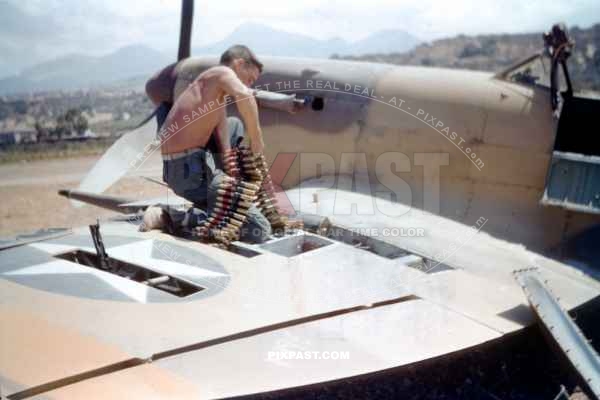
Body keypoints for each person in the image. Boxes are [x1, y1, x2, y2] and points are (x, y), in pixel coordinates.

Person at [157, 45, 271, 243]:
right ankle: (181, 218)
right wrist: (257, 138)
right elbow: (245, 96)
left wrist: (231, 170)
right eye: (250, 78)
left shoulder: (211, 92)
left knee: (234, 124)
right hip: (190, 170)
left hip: (183, 167)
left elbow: (224, 132)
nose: (250, 84)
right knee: (259, 229)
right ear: (239, 64)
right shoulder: (222, 72)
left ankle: (213, 208)